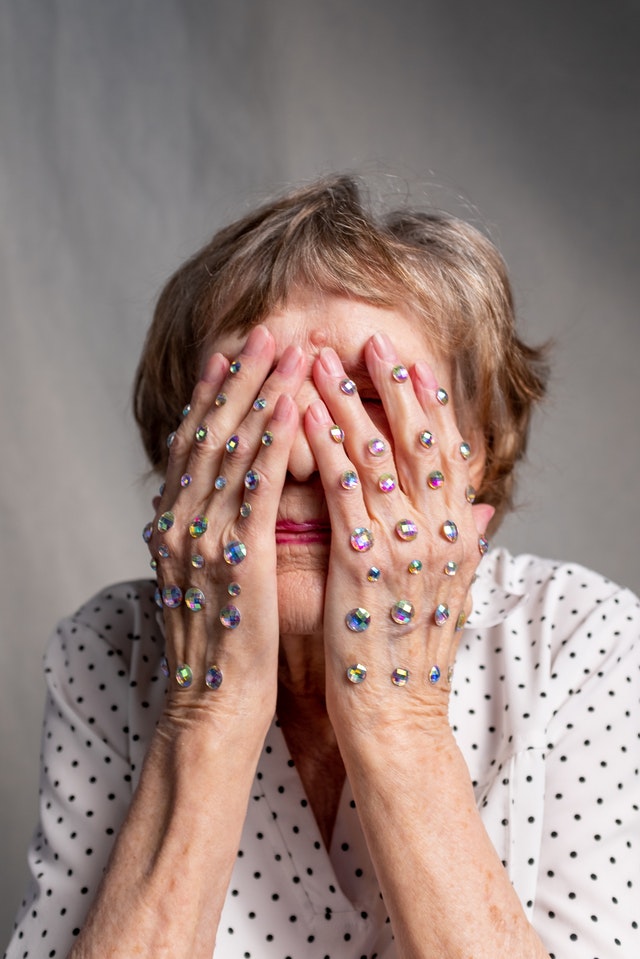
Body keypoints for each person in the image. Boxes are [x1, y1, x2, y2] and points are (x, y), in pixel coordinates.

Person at [4, 175, 638, 959]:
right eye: (254, 393)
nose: (304, 451)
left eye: (366, 398)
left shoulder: (586, 639)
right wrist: (207, 711)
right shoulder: (106, 650)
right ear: (183, 446)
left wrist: (398, 721)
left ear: (479, 453)